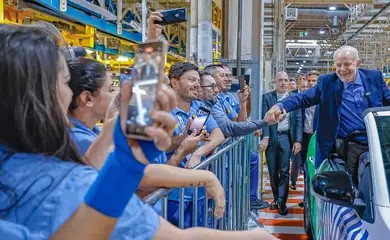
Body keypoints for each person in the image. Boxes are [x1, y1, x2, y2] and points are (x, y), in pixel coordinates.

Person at [0, 24, 278, 240]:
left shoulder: (41, 157)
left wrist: (150, 46)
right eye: (63, 81)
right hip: (165, 204)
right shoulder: (65, 178)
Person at [265, 46, 390, 185]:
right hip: (348, 146)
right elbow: (302, 98)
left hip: (379, 143)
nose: (342, 69)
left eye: (347, 64)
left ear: (358, 64)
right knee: (356, 186)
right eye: (338, 65)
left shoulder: (374, 77)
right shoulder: (327, 83)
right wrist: (280, 106)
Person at [198, 71, 284, 210]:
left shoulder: (217, 101)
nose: (228, 78)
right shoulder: (201, 107)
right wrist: (263, 122)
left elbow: (231, 126)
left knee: (220, 203)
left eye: (228, 75)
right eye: (222, 75)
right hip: (206, 166)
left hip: (217, 161)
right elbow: (229, 128)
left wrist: (243, 103)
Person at [166, 62, 225, 228]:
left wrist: (198, 154)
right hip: (173, 194)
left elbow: (218, 134)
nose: (197, 84)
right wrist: (181, 143)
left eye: (198, 80)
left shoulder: (198, 109)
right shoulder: (164, 112)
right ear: (174, 83)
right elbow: (160, 146)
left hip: (197, 191)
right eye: (191, 80)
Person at [259, 71, 302, 216]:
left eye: (286, 80)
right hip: (271, 138)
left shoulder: (294, 99)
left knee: (284, 171)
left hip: (286, 139)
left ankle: (282, 202)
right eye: (280, 80)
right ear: (274, 82)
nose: (283, 82)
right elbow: (264, 119)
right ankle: (276, 199)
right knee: (272, 171)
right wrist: (265, 137)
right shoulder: (267, 97)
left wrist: (297, 140)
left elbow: (298, 121)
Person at [290, 70, 320, 191]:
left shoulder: (323, 98)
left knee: (316, 167)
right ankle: (307, 195)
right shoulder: (303, 98)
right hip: (304, 137)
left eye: (314, 81)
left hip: (317, 137)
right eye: (310, 81)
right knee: (305, 166)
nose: (312, 83)